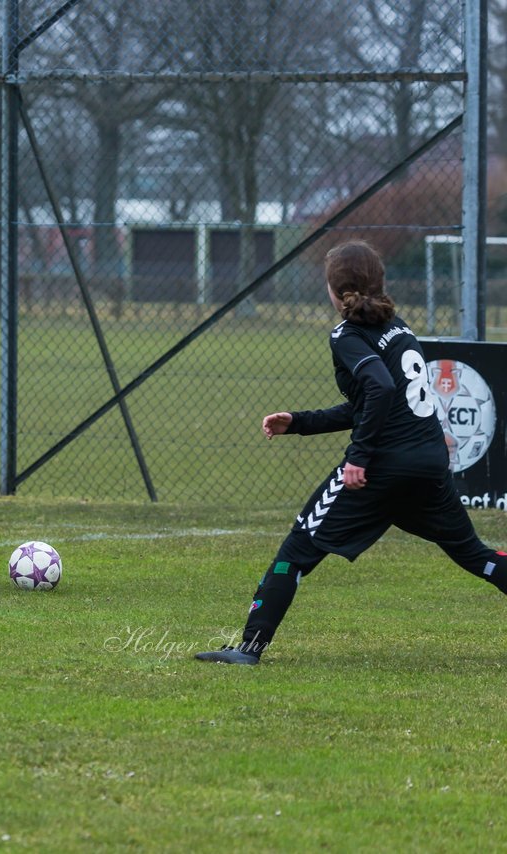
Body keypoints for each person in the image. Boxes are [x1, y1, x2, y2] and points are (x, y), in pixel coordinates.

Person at [196, 240, 507, 665]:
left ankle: (249, 650)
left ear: (332, 289)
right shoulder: (399, 327)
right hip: (429, 461)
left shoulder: (347, 334)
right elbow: (372, 402)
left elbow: (378, 387)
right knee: (476, 556)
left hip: (384, 464)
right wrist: (301, 422)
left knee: (297, 548)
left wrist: (359, 458)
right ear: (379, 284)